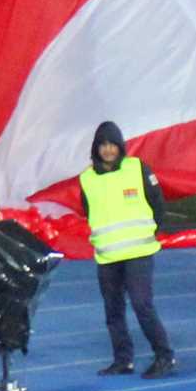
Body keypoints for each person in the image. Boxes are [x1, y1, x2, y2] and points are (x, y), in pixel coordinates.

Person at [80, 119, 175, 377]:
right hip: (107, 255)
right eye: (103, 145)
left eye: (112, 144)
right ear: (96, 148)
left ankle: (164, 355)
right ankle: (123, 360)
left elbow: (157, 203)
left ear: (120, 146)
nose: (108, 149)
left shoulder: (137, 168)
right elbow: (89, 211)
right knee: (113, 311)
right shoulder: (87, 179)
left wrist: (152, 231)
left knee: (142, 305)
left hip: (139, 253)